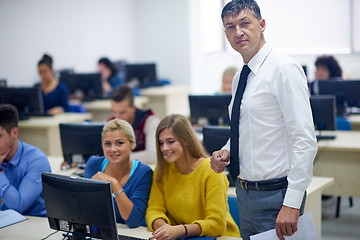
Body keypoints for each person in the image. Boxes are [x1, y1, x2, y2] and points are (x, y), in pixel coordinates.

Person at [210, 1, 318, 240]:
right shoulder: (241, 77)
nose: (238, 32)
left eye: (245, 23)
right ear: (226, 34)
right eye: (230, 27)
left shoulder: (283, 69)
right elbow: (247, 128)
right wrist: (227, 150)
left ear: (262, 24)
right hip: (245, 194)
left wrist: (291, 202)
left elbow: (305, 140)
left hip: (277, 196)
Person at [146, 114, 240, 240]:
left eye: (170, 141)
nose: (164, 148)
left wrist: (179, 230)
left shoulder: (211, 170)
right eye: (161, 143)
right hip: (184, 237)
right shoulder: (162, 169)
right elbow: (154, 210)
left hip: (219, 237)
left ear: (186, 140)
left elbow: (216, 224)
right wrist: (165, 230)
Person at [84, 119, 153, 228]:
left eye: (119, 143)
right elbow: (86, 210)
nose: (113, 149)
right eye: (107, 144)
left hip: (128, 234)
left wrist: (114, 185)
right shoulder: (93, 164)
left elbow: (133, 220)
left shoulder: (143, 173)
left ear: (132, 144)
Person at [0, 104, 51, 216]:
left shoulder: (37, 160)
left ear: (14, 133)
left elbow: (19, 206)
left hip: (35, 222)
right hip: (6, 218)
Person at [108, 85, 159, 164]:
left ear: (133, 108)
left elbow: (153, 155)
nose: (117, 117)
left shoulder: (150, 122)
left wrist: (118, 156)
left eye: (122, 112)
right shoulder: (109, 123)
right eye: (114, 112)